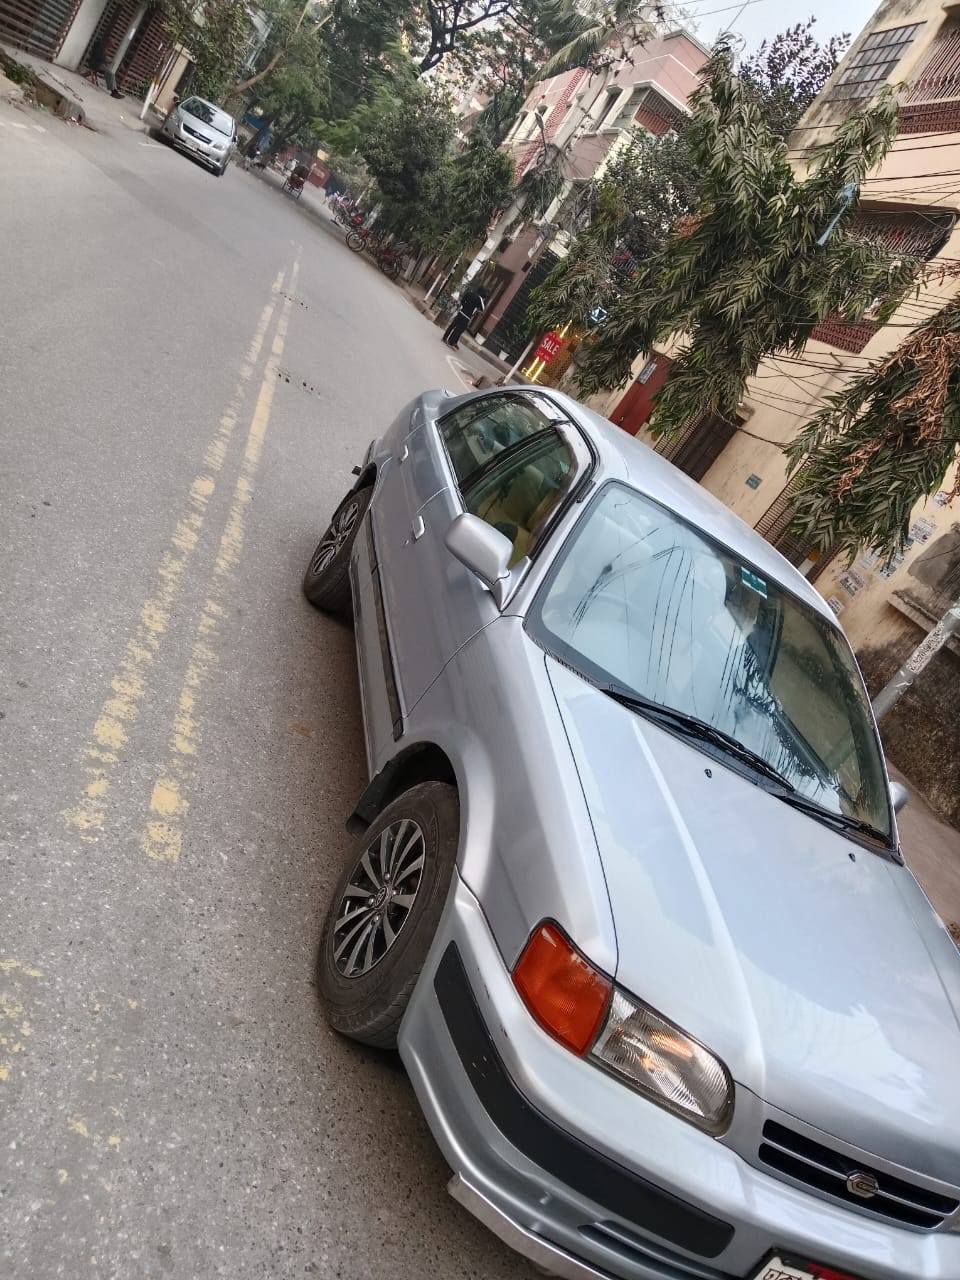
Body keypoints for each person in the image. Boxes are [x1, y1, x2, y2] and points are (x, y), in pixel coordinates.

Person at [443, 285, 486, 350]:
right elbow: (482, 308)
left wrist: (465, 307)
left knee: (452, 325)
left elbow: (462, 300)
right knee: (459, 330)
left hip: (461, 312)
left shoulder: (470, 293)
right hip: (467, 317)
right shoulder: (479, 298)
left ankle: (445, 337)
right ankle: (451, 342)